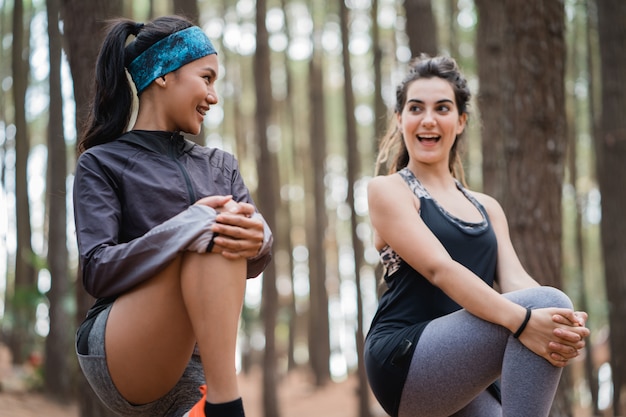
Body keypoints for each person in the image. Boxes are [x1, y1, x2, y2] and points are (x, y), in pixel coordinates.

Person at [364, 55, 590, 417]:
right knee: (547, 305)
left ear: (461, 120)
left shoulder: (487, 207)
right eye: (416, 108)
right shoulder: (388, 190)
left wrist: (564, 321)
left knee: (553, 307)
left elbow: (517, 282)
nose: (428, 119)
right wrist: (525, 320)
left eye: (442, 108)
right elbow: (440, 269)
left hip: (464, 362)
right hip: (405, 357)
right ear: (399, 119)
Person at [73, 15, 272, 417]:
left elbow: (251, 258)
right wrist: (184, 227)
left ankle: (217, 401)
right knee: (208, 232)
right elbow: (96, 270)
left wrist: (262, 239)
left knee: (219, 226)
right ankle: (227, 409)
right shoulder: (102, 162)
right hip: (123, 349)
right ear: (164, 74)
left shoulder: (221, 165)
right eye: (207, 78)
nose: (214, 96)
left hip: (202, 362)